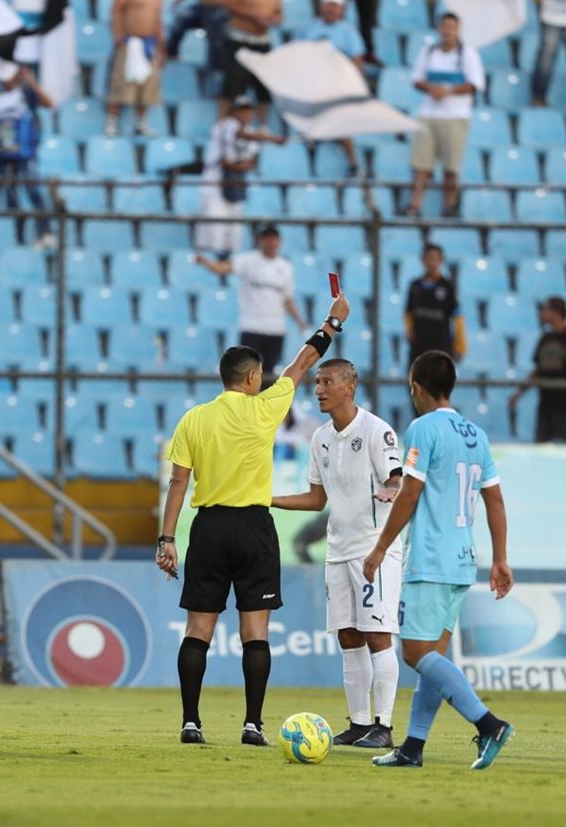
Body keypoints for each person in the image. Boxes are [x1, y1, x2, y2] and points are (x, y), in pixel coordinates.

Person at [157, 293, 353, 746]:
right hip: (253, 528)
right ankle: (252, 725)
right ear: (250, 377)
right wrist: (332, 322)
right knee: (255, 632)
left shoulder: (194, 419)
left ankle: (191, 722)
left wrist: (167, 538)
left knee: (198, 631)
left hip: (208, 528)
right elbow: (302, 365)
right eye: (259, 375)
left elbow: (178, 484)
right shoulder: (265, 407)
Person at [362, 350, 515, 769]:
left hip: (430, 558)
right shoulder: (475, 434)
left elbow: (409, 491)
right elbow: (495, 498)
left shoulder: (423, 428)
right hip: (464, 560)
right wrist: (500, 559)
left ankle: (489, 724)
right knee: (433, 660)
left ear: (416, 386)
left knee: (413, 653)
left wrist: (379, 548)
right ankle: (412, 748)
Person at [271, 359, 402, 749]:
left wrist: (391, 490)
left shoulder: (377, 431)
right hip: (338, 550)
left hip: (374, 550)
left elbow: (397, 478)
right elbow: (316, 499)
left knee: (378, 634)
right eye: (316, 382)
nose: (318, 389)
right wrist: (267, 499)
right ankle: (360, 722)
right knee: (348, 635)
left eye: (327, 381)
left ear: (350, 385)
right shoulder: (320, 438)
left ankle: (385, 725)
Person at [194, 223, 308, 371]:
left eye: (273, 239)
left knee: (268, 374)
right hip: (252, 327)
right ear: (260, 241)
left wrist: (300, 321)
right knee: (247, 372)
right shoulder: (249, 261)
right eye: (267, 239)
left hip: (276, 328)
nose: (270, 243)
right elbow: (222, 268)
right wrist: (207, 263)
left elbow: (287, 299)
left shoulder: (285, 267)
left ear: (279, 242)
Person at [405, 12, 485, 218]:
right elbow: (416, 79)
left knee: (451, 166)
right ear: (439, 29)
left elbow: (476, 85)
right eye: (445, 27)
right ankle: (414, 205)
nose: (448, 31)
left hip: (455, 115)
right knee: (421, 164)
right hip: (429, 113)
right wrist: (431, 89)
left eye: (452, 27)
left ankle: (449, 206)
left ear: (457, 30)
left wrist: (447, 91)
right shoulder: (429, 51)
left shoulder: (467, 54)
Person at [194, 96, 285, 254]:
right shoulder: (224, 125)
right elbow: (236, 142)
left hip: (236, 182)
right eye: (241, 110)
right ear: (233, 111)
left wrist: (240, 166)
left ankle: (229, 265)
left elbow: (251, 162)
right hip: (215, 183)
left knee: (234, 228)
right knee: (214, 224)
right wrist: (272, 138)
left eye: (248, 111)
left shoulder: (252, 132)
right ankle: (211, 263)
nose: (245, 114)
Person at [509, 296, 566, 442]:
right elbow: (538, 370)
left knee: (563, 452)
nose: (542, 314)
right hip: (545, 406)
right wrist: (519, 393)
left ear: (557, 312)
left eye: (545, 310)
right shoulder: (545, 338)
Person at [0, 67, 55, 249]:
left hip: (24, 152)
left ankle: (45, 231)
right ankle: (18, 238)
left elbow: (48, 103)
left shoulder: (25, 95)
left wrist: (32, 83)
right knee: (11, 196)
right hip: (3, 154)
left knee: (33, 191)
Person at [298, 0, 367, 175]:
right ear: (321, 7)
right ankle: (307, 158)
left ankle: (352, 161)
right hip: (313, 84)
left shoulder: (348, 32)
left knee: (341, 122)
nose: (331, 10)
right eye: (328, 5)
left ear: (342, 10)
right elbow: (297, 54)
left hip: (337, 85)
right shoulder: (308, 29)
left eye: (335, 6)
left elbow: (357, 61)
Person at [105, 0, 166, 138]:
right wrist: (117, 35)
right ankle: (111, 121)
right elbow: (116, 10)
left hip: (149, 43)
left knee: (147, 84)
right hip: (130, 42)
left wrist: (162, 47)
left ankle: (140, 123)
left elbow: (156, 19)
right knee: (120, 82)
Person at [223, 0, 283, 121]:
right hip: (240, 39)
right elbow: (229, 4)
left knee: (263, 86)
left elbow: (279, 14)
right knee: (233, 85)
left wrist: (273, 19)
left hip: (262, 41)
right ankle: (222, 124)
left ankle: (262, 124)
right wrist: (253, 16)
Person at [404, 244, 466, 366]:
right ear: (422, 260)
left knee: (439, 381)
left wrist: (460, 344)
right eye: (428, 258)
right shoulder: (415, 285)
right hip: (419, 344)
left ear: (441, 261)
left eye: (435, 258)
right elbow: (408, 312)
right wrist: (409, 331)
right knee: (416, 380)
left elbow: (457, 315)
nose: (431, 262)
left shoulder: (447, 285)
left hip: (441, 344)